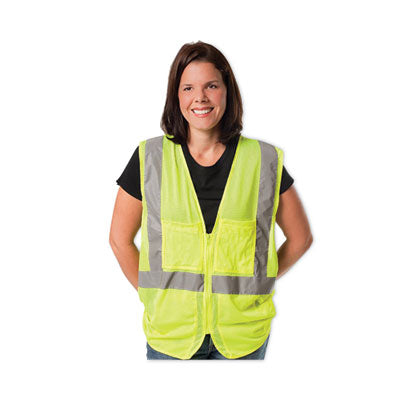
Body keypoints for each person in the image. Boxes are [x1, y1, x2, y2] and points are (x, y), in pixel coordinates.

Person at [109, 41, 313, 360]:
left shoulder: (262, 160)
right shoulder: (150, 158)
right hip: (171, 338)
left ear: (227, 91)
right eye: (188, 87)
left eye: (211, 86)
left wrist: (258, 283)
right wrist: (155, 297)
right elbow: (119, 240)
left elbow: (300, 239)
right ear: (176, 96)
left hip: (242, 338)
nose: (200, 97)